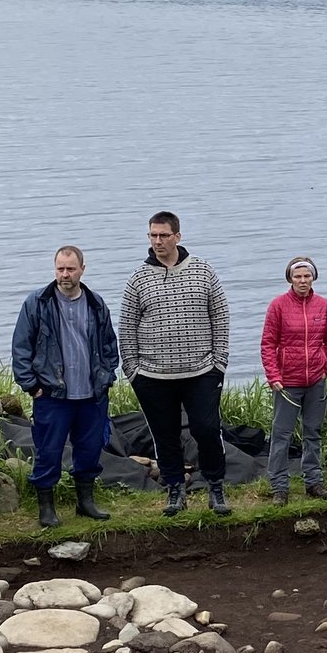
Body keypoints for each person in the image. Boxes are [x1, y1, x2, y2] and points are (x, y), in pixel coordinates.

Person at [120, 211, 232, 517]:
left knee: (207, 429)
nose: (157, 241)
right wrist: (134, 372)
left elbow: (220, 317)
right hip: (153, 376)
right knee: (164, 433)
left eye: (163, 235)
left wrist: (218, 363)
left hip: (201, 372)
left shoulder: (203, 271)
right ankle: (175, 489)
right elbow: (127, 328)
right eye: (152, 236)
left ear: (177, 237)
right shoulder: (138, 279)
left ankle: (215, 486)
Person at [11, 245, 119, 527]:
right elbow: (21, 348)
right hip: (52, 395)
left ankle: (86, 503)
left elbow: (109, 345)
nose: (65, 274)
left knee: (90, 448)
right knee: (48, 451)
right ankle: (46, 509)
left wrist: (106, 378)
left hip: (91, 395)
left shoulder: (96, 303)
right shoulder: (37, 303)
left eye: (70, 269)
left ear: (82, 269)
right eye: (60, 268)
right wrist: (31, 386)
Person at [261, 256, 327, 505]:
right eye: (298, 276)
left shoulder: (322, 305)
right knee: (281, 435)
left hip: (316, 380)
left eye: (307, 276)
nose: (303, 281)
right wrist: (273, 375)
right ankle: (279, 488)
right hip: (287, 383)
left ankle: (313, 482)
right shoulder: (278, 306)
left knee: (312, 433)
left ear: (313, 277)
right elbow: (268, 344)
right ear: (290, 279)